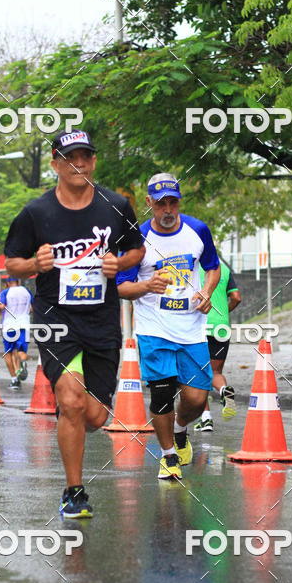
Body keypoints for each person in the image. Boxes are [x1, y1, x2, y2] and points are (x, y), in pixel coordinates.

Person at [4, 129, 145, 518]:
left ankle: (70, 420)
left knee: (94, 416)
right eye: (70, 157)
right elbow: (12, 262)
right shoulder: (36, 213)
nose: (78, 164)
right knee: (70, 401)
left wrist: (120, 263)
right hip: (55, 319)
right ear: (55, 164)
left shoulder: (116, 205)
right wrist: (34, 264)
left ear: (94, 161)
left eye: (85, 156)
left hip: (102, 320)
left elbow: (137, 249)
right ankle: (74, 491)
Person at [116, 173, 220, 482]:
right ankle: (168, 456)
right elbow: (121, 287)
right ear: (149, 203)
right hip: (154, 330)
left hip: (192, 330)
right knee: (161, 395)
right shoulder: (137, 239)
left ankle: (180, 429)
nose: (167, 209)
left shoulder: (198, 230)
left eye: (173, 202)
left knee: (197, 399)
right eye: (161, 203)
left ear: (179, 202)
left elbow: (213, 268)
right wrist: (146, 286)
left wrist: (207, 292)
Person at [194, 258, 241, 431]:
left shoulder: (191, 266)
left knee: (198, 374)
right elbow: (236, 297)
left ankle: (206, 419)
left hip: (198, 325)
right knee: (215, 372)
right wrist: (223, 314)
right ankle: (224, 391)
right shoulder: (223, 269)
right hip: (221, 327)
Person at [0, 277, 33, 388]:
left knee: (8, 353)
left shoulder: (5, 293)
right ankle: (22, 363)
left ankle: (14, 380)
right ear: (18, 281)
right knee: (20, 351)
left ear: (8, 283)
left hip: (9, 327)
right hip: (24, 325)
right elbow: (32, 308)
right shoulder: (27, 291)